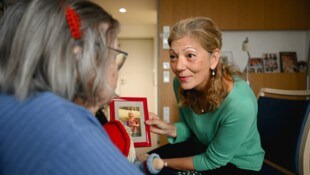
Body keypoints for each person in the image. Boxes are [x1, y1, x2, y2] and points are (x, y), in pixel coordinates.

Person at [0, 0, 145, 174]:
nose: (116, 67)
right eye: (114, 55)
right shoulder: (71, 131)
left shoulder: (12, 102)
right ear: (80, 57)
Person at [144, 17, 265, 175]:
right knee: (143, 161)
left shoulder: (240, 103)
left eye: (190, 55)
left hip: (238, 164)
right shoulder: (180, 83)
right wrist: (170, 129)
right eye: (173, 56)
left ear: (213, 58)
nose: (179, 67)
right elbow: (193, 129)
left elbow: (212, 160)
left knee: (154, 166)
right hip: (202, 148)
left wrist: (162, 163)